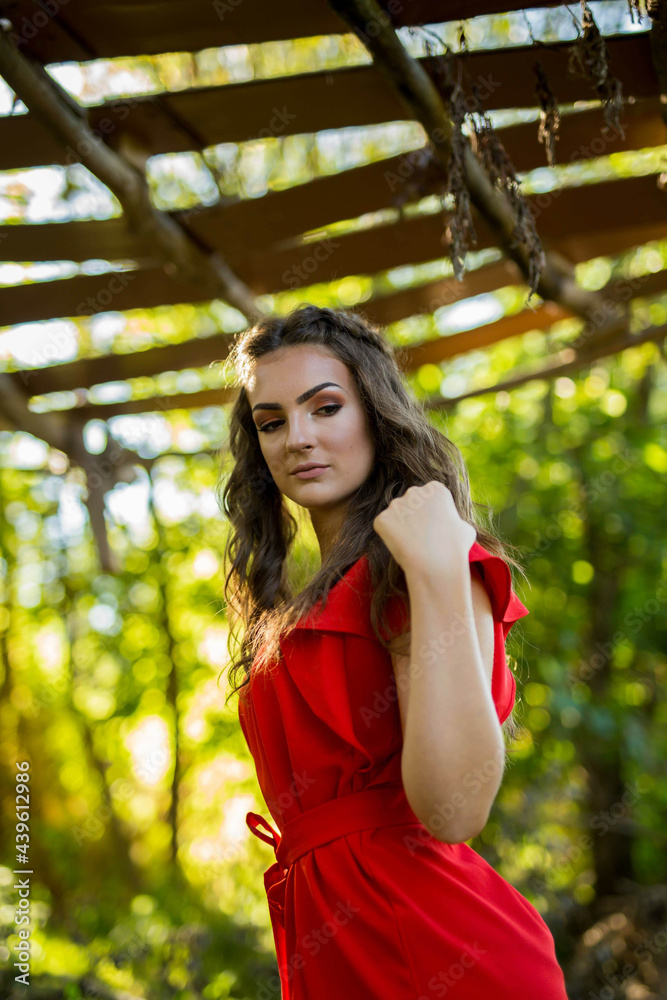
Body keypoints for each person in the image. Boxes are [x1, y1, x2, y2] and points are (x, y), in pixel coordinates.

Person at [218, 304, 569, 999]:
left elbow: (453, 810)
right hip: (331, 940)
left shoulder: (421, 567)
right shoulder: (292, 604)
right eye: (272, 421)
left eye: (325, 408)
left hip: (437, 947)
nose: (298, 438)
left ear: (375, 411)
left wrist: (435, 570)